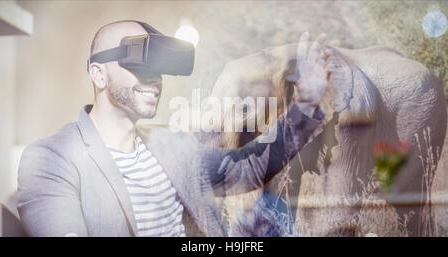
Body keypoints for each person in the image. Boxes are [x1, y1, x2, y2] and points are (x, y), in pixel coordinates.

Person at [17, 20, 331, 236]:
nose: (154, 78)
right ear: (99, 75)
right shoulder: (51, 159)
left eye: (159, 67)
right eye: (139, 62)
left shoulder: (171, 149)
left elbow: (249, 166)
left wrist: (304, 105)